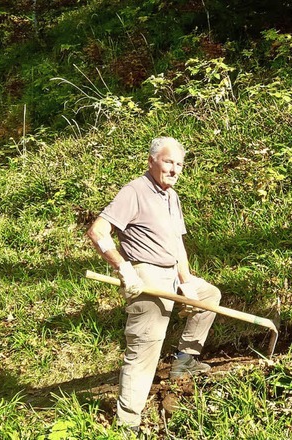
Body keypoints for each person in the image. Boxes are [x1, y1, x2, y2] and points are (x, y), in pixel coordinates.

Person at [86, 136, 221, 430]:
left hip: (172, 272)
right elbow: (98, 231)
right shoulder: (134, 192)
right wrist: (124, 268)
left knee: (209, 296)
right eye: (169, 162)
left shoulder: (171, 197)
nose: (174, 169)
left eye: (179, 164)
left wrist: (186, 283)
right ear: (151, 161)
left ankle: (185, 361)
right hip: (147, 276)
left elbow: (177, 244)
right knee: (145, 348)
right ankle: (127, 423)